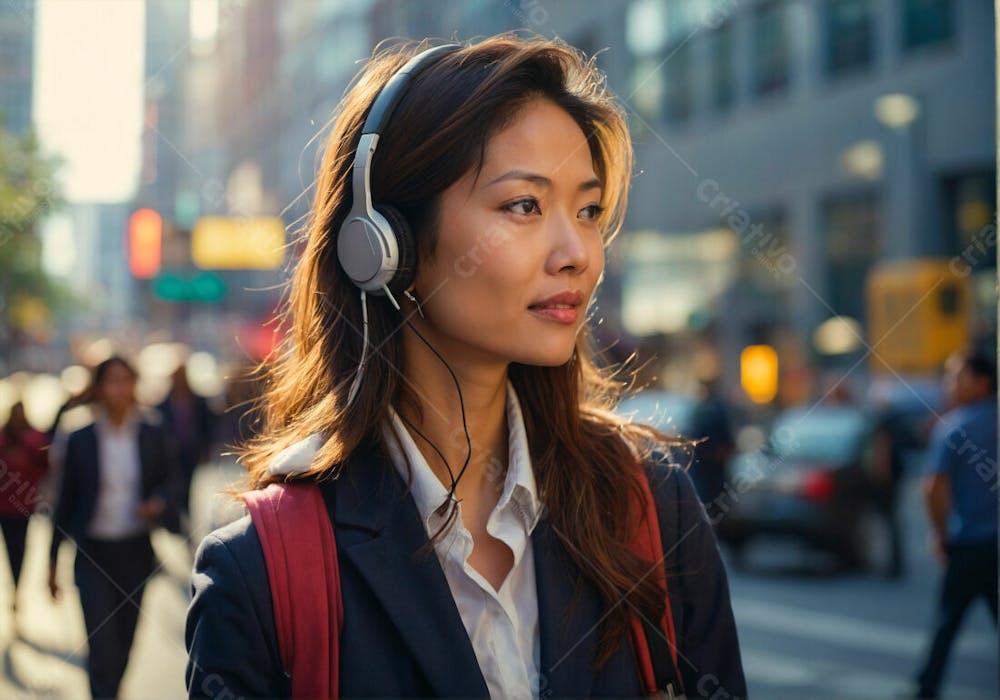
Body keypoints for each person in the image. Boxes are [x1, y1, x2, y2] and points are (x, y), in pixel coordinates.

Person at [186, 35, 746, 699]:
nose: (578, 254)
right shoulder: (261, 572)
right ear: (385, 244)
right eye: (524, 206)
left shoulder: (652, 510)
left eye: (589, 211)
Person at [48, 356, 179, 699]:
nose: (120, 388)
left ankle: (111, 692)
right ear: (99, 388)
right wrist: (51, 561)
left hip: (134, 553)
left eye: (126, 380)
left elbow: (171, 482)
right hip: (93, 554)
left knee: (124, 643)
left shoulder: (152, 432)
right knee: (101, 645)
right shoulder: (80, 437)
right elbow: (64, 502)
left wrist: (158, 503)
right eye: (112, 381)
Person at [912, 348, 998, 699]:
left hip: (967, 545)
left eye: (955, 376)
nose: (949, 384)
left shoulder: (954, 426)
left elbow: (933, 487)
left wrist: (938, 533)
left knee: (947, 623)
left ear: (982, 381)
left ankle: (926, 688)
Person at [0, 401, 49, 613]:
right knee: (12, 548)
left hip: (23, 506)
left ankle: (16, 586)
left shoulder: (34, 438)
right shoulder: (4, 438)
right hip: (5, 507)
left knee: (19, 549)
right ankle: (14, 584)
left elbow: (44, 465)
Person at [157, 363, 215, 525]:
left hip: (192, 450)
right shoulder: (164, 403)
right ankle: (177, 515)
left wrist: (206, 448)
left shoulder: (197, 400)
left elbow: (206, 425)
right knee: (177, 482)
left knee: (188, 483)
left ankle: (185, 512)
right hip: (172, 453)